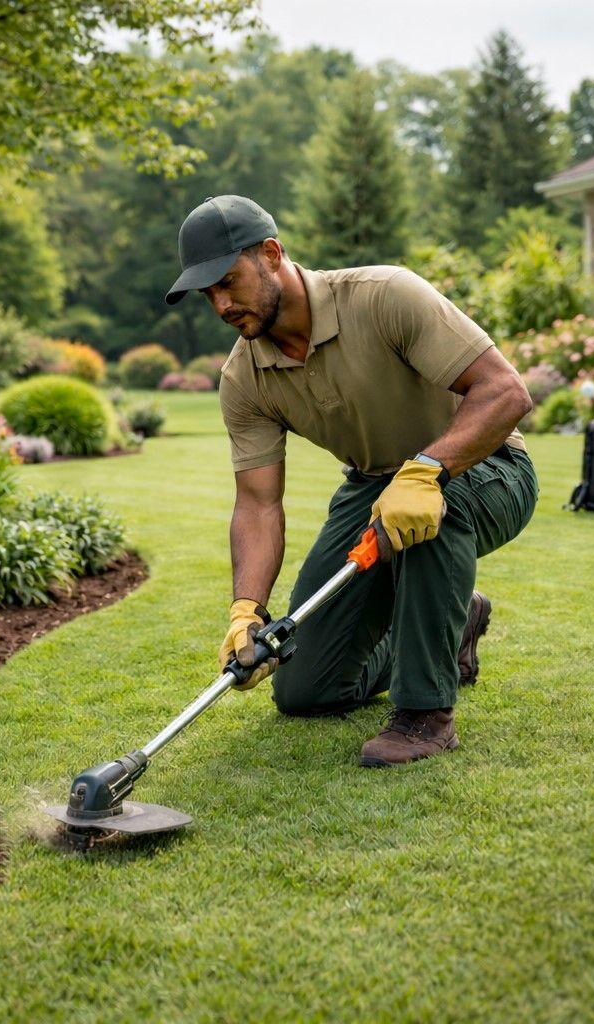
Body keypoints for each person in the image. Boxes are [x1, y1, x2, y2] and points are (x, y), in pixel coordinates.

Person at [165, 195, 537, 767]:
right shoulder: (244, 378)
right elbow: (259, 504)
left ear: (270, 254)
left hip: (484, 467)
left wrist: (429, 471)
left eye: (228, 282)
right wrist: (247, 610)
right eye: (206, 293)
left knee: (432, 513)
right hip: (372, 485)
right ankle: (454, 622)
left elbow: (506, 393)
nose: (220, 304)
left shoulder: (385, 295)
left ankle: (425, 716)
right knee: (304, 690)